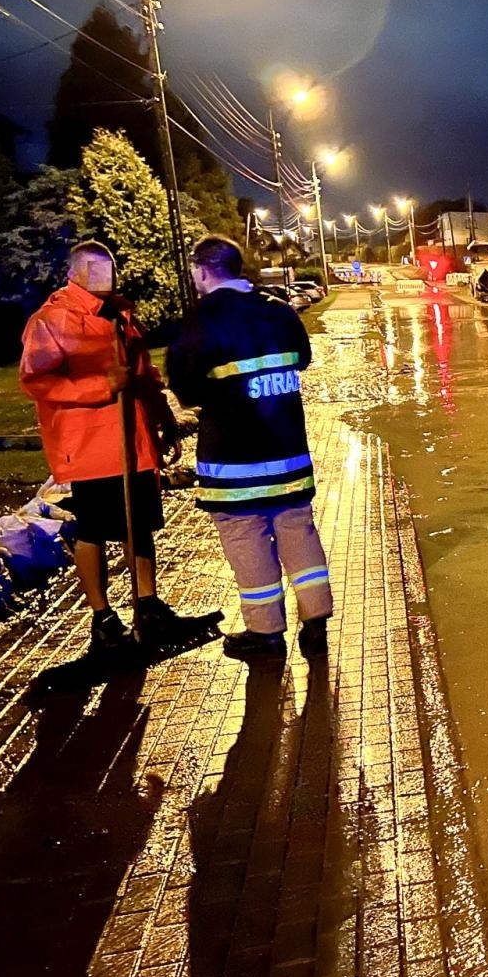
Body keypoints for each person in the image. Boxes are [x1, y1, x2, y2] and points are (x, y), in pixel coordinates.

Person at [167, 235, 332, 659]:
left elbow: (185, 391)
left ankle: (266, 634)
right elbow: (302, 358)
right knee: (298, 529)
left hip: (234, 462)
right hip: (288, 451)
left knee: (247, 539)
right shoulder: (279, 313)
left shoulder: (201, 321)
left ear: (202, 270)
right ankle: (316, 621)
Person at [19, 241, 185, 657]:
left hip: (134, 441)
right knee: (94, 528)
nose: (107, 275)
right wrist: (100, 387)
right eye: (98, 268)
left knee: (140, 523)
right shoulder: (53, 320)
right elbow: (37, 381)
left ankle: (148, 604)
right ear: (76, 272)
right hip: (89, 447)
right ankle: (104, 618)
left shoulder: (120, 315)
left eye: (110, 267)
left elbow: (143, 374)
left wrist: (163, 419)